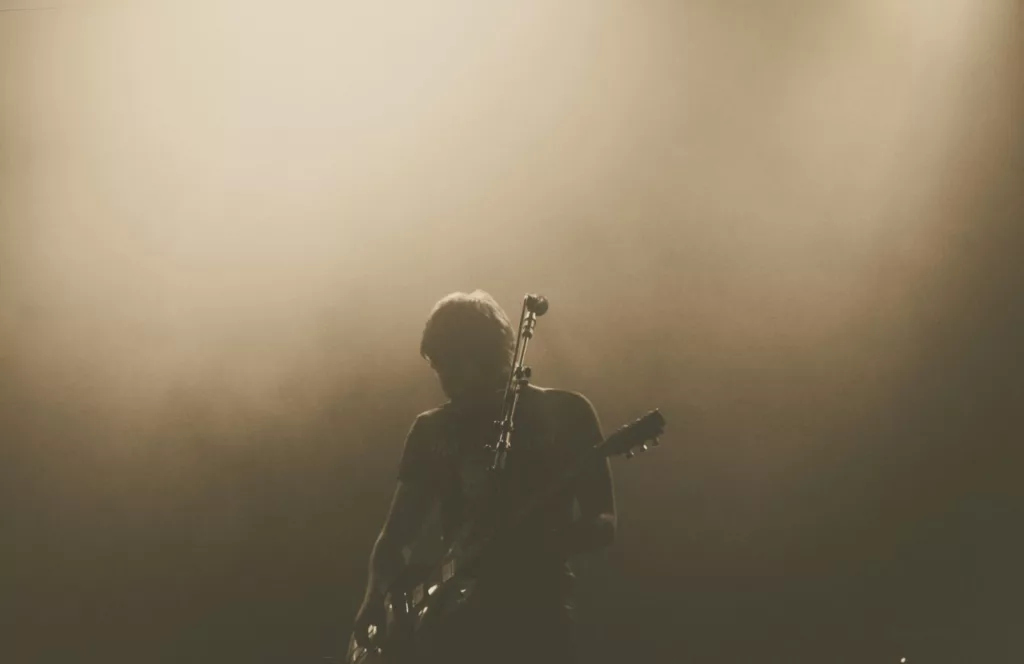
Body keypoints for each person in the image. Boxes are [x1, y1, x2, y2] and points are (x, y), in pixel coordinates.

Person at [352, 290, 616, 664]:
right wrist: (374, 596)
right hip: (452, 623)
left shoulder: (565, 413)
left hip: (538, 615)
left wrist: (540, 543)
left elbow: (604, 521)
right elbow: (396, 537)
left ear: (489, 355)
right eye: (437, 366)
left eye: (453, 363)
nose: (443, 377)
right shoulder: (432, 430)